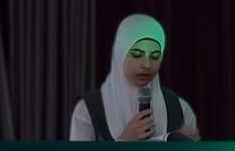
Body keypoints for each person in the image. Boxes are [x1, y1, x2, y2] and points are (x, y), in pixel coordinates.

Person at [70, 13, 200, 141]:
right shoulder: (88, 110)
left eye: (155, 56)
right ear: (120, 54)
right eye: (137, 55)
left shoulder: (179, 108)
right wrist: (124, 142)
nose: (147, 65)